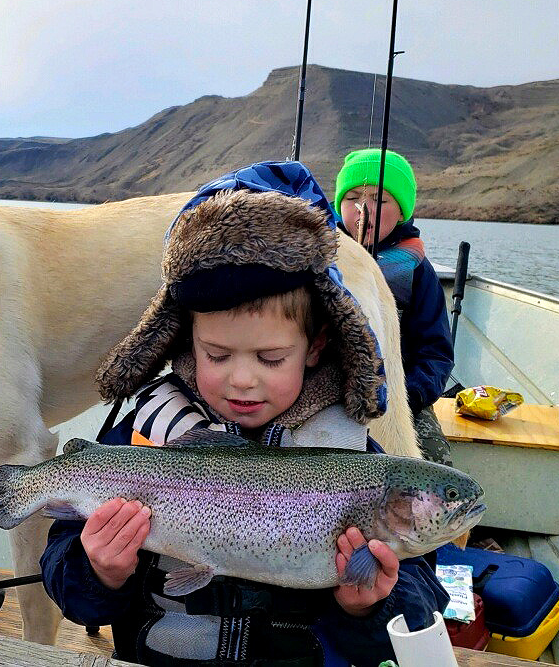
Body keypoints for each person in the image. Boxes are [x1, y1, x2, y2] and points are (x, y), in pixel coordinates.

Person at [41, 161, 449, 667]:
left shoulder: (358, 459)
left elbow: (415, 609)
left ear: (318, 344)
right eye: (217, 355)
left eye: (271, 359)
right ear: (183, 339)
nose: (242, 379)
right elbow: (73, 591)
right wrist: (100, 571)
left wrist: (364, 608)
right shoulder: (143, 433)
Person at [333, 149, 455, 466]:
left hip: (402, 399)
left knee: (434, 461)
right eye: (353, 198)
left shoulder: (418, 273)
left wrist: (407, 395)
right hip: (329, 395)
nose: (364, 210)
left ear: (402, 210)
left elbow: (436, 353)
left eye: (380, 199)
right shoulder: (321, 258)